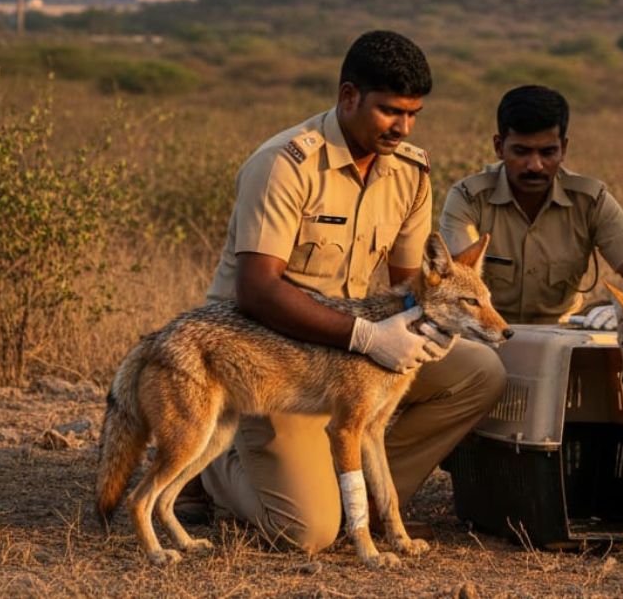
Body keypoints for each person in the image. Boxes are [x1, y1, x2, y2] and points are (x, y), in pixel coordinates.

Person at [196, 30, 507, 552]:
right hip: (269, 354)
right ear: (348, 97)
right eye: (389, 111)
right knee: (305, 532)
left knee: (480, 374)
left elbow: (414, 284)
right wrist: (366, 337)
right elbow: (255, 292)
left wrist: (426, 328)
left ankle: (356, 495)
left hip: (348, 354)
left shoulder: (410, 170)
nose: (402, 127)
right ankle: (218, 469)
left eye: (413, 114)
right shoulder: (285, 165)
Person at [440, 85, 623, 327]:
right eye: (521, 151)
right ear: (499, 147)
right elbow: (455, 282)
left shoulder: (590, 199)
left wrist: (618, 310)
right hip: (485, 332)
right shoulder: (469, 198)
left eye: (548, 152)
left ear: (564, 149)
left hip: (562, 335)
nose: (535, 165)